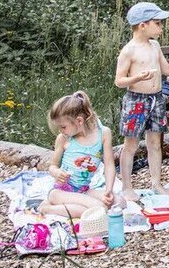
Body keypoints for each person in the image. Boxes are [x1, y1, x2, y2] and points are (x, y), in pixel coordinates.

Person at [115, 1, 169, 201]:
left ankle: (156, 183)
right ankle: (127, 187)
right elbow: (119, 81)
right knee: (131, 145)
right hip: (136, 101)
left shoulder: (155, 46)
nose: (161, 27)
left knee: (154, 142)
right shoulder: (129, 50)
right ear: (143, 25)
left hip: (157, 99)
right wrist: (137, 78)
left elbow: (167, 69)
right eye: (158, 23)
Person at [41, 91, 116, 220]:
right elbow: (52, 166)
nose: (60, 131)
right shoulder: (64, 139)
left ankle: (72, 207)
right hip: (60, 192)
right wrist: (56, 172)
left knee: (119, 202)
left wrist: (108, 190)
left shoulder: (103, 133)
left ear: (79, 120)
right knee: (100, 208)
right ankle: (46, 208)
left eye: (63, 127)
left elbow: (109, 165)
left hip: (83, 190)